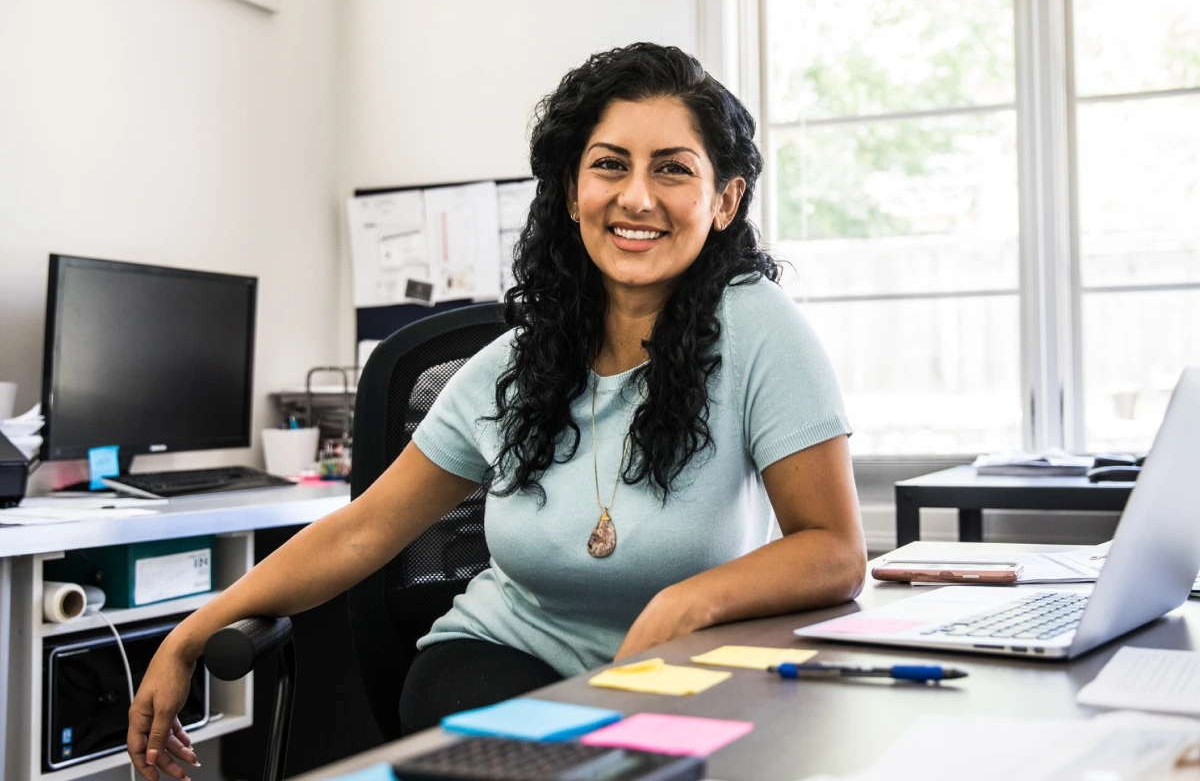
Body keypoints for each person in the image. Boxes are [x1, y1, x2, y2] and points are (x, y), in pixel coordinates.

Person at [126, 42, 866, 781]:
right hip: (498, 662)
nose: (637, 197)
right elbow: (361, 532)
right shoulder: (515, 365)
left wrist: (691, 601)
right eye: (610, 164)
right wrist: (193, 631)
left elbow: (833, 548)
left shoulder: (759, 331)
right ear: (574, 192)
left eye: (672, 168)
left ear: (725, 199)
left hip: (685, 674)